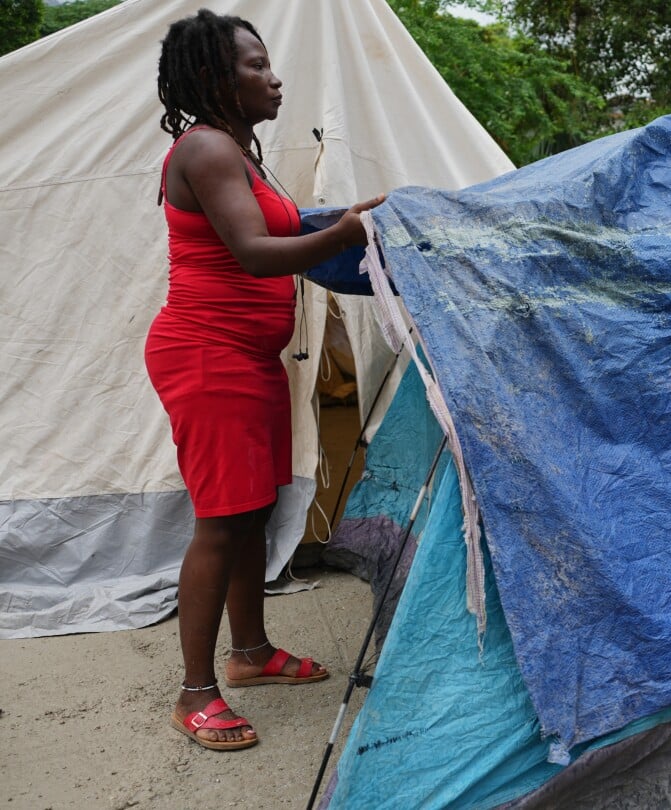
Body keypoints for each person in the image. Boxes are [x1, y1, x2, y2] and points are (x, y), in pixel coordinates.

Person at [149, 10, 385, 751]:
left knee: (251, 511)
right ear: (214, 77)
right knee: (221, 522)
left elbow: (282, 228)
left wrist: (345, 220)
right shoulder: (209, 149)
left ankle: (249, 653)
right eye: (255, 66)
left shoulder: (240, 152)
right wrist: (346, 235)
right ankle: (195, 693)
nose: (273, 76)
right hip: (205, 355)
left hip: (245, 360)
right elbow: (254, 253)